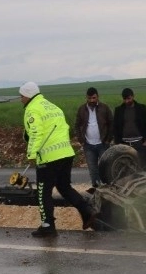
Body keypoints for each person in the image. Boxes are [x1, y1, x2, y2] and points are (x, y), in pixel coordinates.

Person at [19, 82, 95, 238]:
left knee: (43, 193)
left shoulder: (32, 109)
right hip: (66, 153)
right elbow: (65, 128)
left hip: (49, 157)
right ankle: (87, 212)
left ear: (27, 95)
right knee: (64, 187)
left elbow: (36, 133)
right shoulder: (52, 107)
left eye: (21, 96)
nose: (21, 99)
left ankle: (48, 226)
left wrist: (31, 155)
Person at [74, 87, 113, 189]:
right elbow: (77, 125)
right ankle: (96, 189)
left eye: (94, 98)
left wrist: (108, 139)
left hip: (103, 144)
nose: (92, 100)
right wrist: (81, 141)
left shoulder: (104, 108)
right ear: (86, 98)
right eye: (89, 98)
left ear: (97, 97)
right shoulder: (82, 109)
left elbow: (111, 124)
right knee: (92, 169)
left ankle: (109, 188)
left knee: (106, 167)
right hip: (88, 145)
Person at [113, 87, 146, 166]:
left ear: (133, 96)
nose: (127, 101)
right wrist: (118, 143)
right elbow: (115, 127)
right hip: (124, 144)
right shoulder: (118, 110)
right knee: (127, 167)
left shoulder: (141, 108)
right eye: (125, 99)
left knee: (143, 167)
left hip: (140, 143)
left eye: (129, 98)